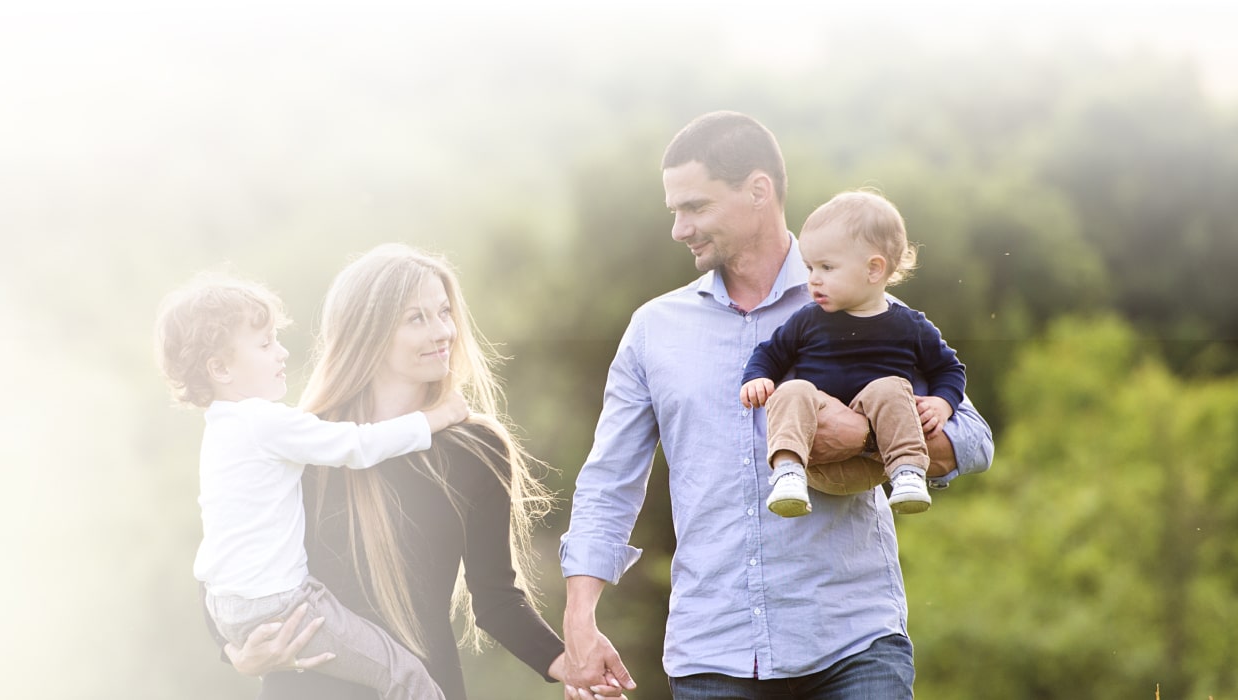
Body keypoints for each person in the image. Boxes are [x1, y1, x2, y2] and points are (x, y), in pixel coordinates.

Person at [560, 112, 995, 700]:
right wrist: (580, 619)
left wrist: (864, 436)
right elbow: (609, 480)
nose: (679, 229)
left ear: (758, 190)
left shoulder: (868, 306)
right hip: (712, 653)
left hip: (853, 645)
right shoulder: (652, 330)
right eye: (674, 212)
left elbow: (973, 440)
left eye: (695, 207)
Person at [231, 244, 616, 700]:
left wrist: (571, 665)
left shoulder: (476, 449)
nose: (443, 332)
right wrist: (235, 651)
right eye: (416, 318)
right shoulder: (301, 445)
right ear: (367, 333)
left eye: (444, 313)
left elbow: (495, 599)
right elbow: (227, 562)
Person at [155, 272, 467, 700]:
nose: (282, 352)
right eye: (265, 344)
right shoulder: (265, 422)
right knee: (404, 674)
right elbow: (357, 444)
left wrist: (231, 647)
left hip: (227, 606)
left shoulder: (219, 431)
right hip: (282, 606)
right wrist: (437, 417)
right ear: (220, 368)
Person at [740, 190, 966, 518]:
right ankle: (787, 472)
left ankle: (909, 473)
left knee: (890, 387)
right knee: (793, 390)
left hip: (881, 464)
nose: (813, 280)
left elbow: (949, 369)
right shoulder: (808, 319)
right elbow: (769, 353)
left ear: (874, 270)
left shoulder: (910, 325)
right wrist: (757, 377)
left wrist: (943, 403)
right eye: (809, 267)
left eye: (827, 267)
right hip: (816, 458)